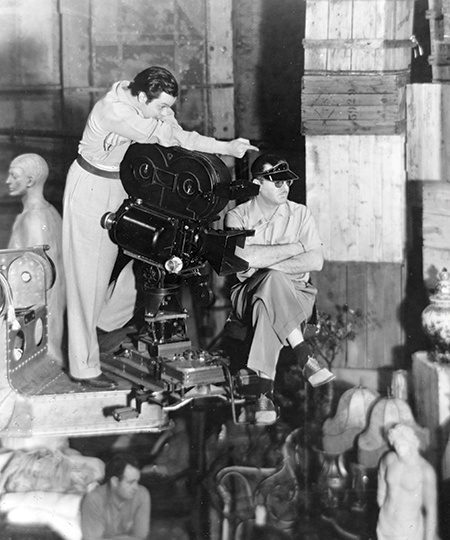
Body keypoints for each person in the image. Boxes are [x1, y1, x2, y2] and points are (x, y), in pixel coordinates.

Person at [62, 65, 258, 388]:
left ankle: (104, 326)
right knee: (86, 279)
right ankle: (84, 367)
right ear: (142, 97)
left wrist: (163, 115)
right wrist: (225, 147)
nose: (166, 110)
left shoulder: (137, 98)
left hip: (120, 184)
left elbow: (170, 128)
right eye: (162, 105)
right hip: (91, 187)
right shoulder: (115, 111)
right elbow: (171, 137)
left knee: (140, 260)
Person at [224, 153, 334, 424]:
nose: (285, 187)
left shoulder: (301, 213)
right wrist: (296, 248)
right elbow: (244, 259)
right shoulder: (236, 217)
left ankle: (264, 393)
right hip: (248, 294)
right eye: (277, 182)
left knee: (270, 289)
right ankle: (303, 354)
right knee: (269, 285)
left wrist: (265, 265)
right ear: (257, 184)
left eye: (288, 181)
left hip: (297, 294)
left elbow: (316, 261)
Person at [6, 153, 66, 364]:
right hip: (46, 321)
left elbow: (35, 280)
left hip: (36, 323)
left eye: (14, 176)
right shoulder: (50, 212)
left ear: (30, 181)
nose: (8, 181)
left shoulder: (33, 219)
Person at [376, 423, 440, 540]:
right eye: (396, 444)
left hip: (408, 530)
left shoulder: (425, 471)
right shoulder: (390, 459)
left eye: (403, 444)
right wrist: (381, 496)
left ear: (412, 443)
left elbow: (431, 511)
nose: (399, 448)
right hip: (385, 523)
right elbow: (382, 471)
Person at [80, 453, 150, 540]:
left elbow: (140, 536)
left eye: (137, 481)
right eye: (131, 482)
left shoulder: (142, 495)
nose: (136, 487)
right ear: (115, 481)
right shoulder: (94, 500)